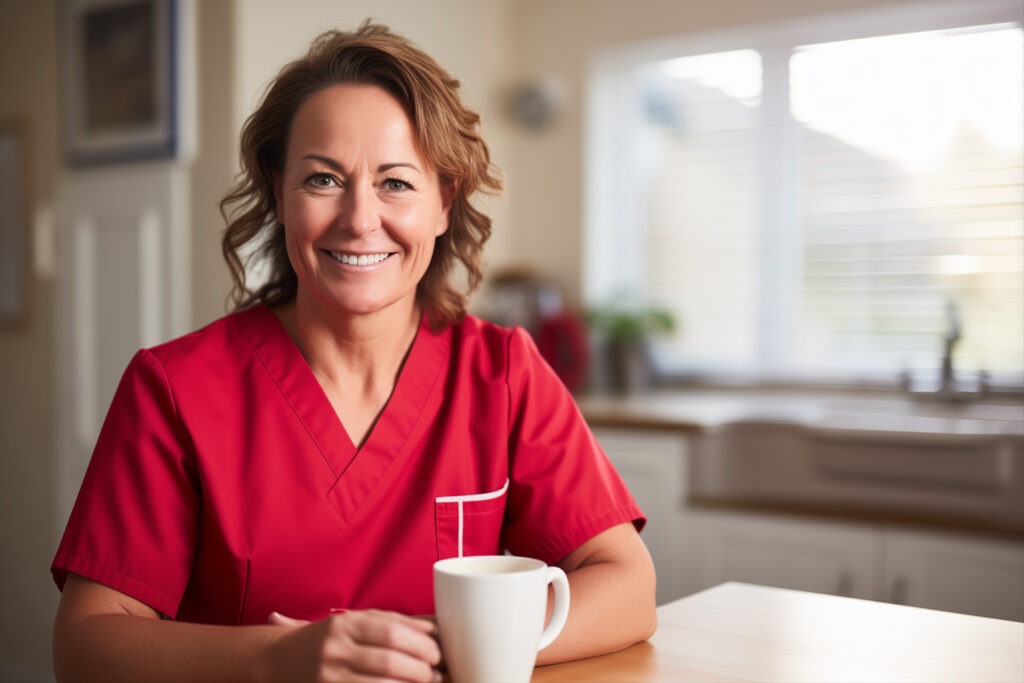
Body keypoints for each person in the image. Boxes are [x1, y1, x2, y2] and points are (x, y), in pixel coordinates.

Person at [51, 21, 656, 682]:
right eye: (323, 180)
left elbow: (627, 584)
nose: (360, 219)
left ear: (443, 204)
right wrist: (278, 657)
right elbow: (84, 644)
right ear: (279, 192)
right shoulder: (172, 388)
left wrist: (446, 644)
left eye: (396, 182)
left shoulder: (504, 373)